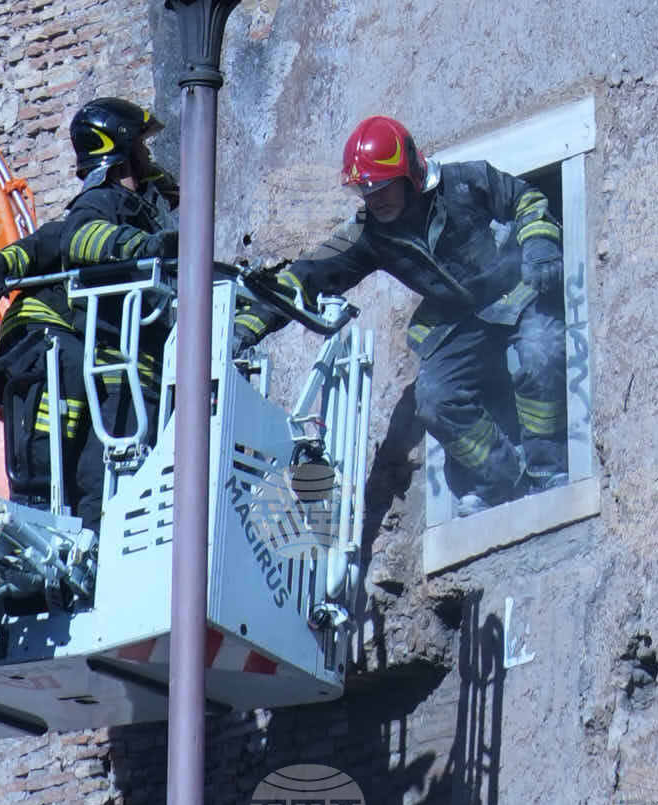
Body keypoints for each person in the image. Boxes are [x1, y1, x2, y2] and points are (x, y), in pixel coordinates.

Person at [245, 114, 571, 518]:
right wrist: (248, 325)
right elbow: (306, 276)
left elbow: (526, 199)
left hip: (514, 295)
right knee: (435, 400)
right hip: (457, 322)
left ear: (410, 174)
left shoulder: (467, 181)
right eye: (364, 190)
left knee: (542, 349)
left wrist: (540, 244)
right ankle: (505, 479)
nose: (373, 198)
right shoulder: (368, 232)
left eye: (381, 186)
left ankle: (548, 469)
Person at [0, 96, 176, 526]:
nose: (149, 154)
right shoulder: (106, 204)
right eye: (143, 144)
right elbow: (70, 241)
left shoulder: (142, 214)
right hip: (108, 373)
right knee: (103, 490)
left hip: (146, 375)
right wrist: (144, 249)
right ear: (124, 148)